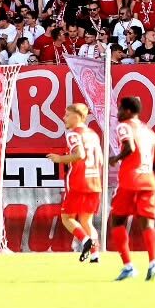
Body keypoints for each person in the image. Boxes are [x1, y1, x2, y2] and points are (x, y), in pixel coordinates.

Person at [109, 95, 155, 281]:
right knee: (147, 223)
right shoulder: (148, 130)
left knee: (117, 221)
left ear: (129, 111)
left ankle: (128, 266)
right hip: (149, 180)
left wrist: (115, 159)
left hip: (130, 180)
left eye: (120, 109)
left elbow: (129, 147)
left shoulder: (124, 126)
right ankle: (154, 263)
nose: (118, 113)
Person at [46, 102, 103, 263]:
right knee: (86, 221)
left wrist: (60, 159)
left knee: (66, 217)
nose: (64, 118)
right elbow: (100, 159)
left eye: (67, 114)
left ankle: (85, 241)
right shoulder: (93, 134)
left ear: (77, 116)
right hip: (95, 181)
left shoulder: (73, 134)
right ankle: (95, 255)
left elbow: (79, 154)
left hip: (79, 181)